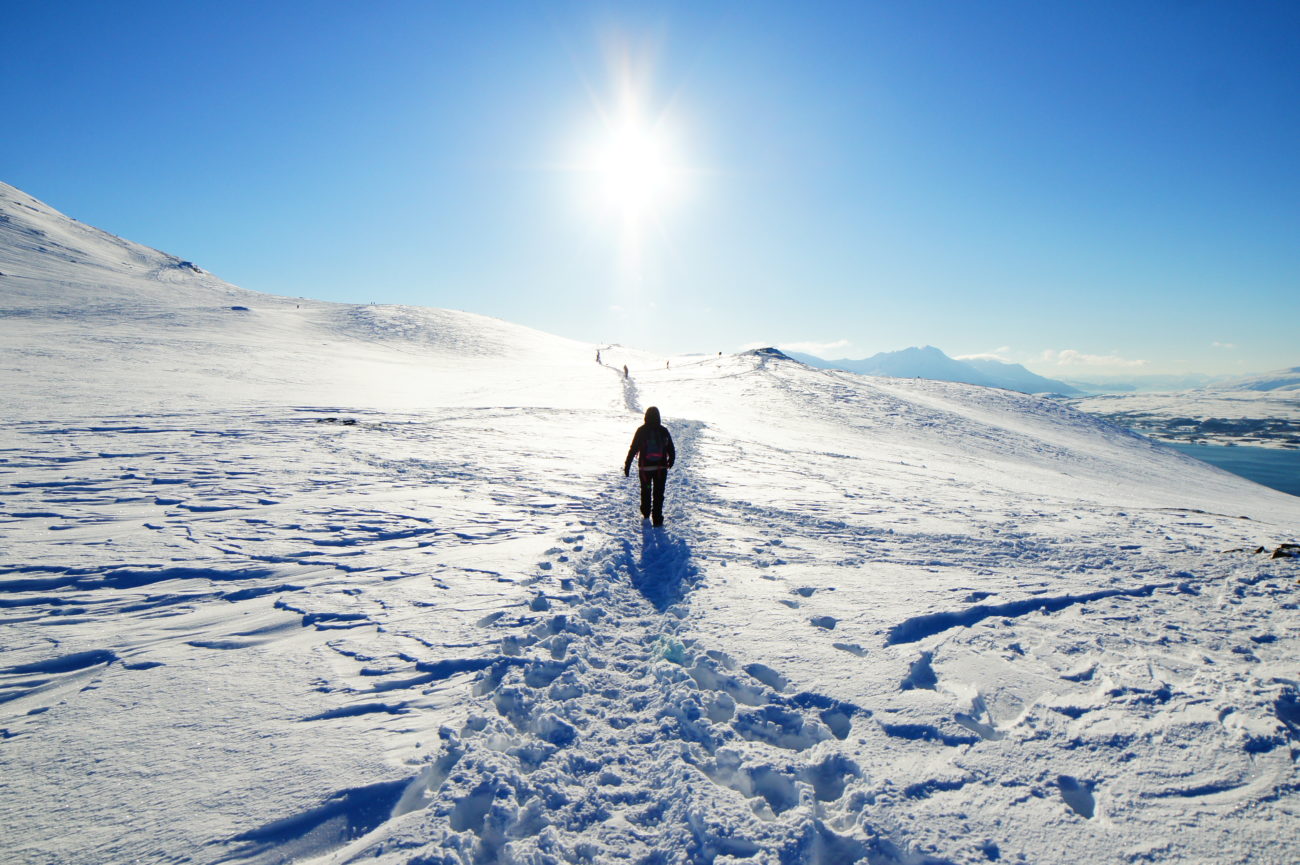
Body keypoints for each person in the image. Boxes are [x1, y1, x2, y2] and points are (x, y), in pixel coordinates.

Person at [623, 406, 675, 526]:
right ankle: (657, 518)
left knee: (646, 490)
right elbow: (671, 448)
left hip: (645, 469)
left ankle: (646, 512)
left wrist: (627, 465)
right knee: (658, 493)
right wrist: (671, 461)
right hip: (660, 469)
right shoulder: (663, 430)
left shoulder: (641, 430)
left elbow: (633, 449)